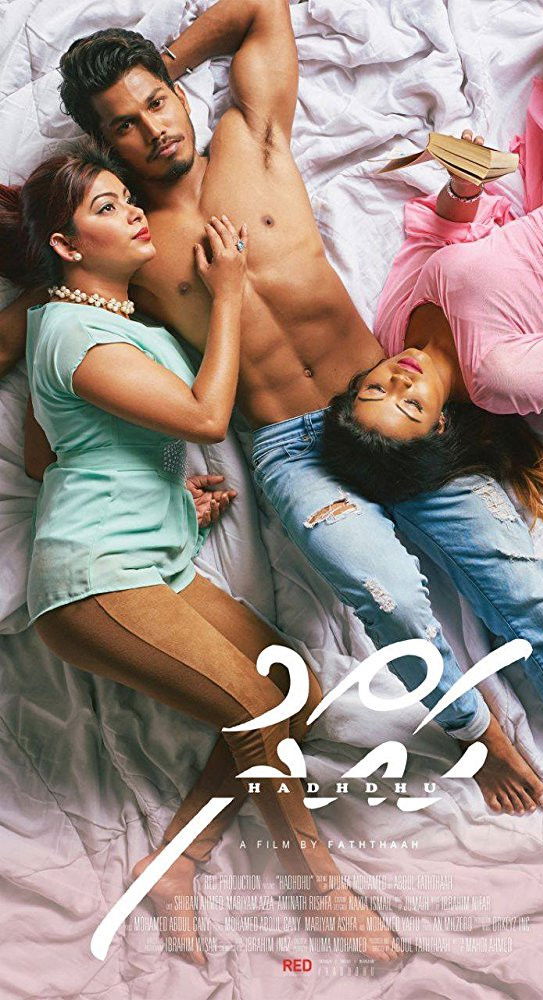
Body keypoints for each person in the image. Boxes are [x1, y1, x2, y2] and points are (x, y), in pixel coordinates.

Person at [1, 0, 543, 858]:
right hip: (290, 449)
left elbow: (260, 10)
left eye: (156, 102)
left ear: (175, 89)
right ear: (102, 143)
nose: (154, 129)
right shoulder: (125, 243)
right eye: (124, 124)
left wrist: (165, 58)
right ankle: (479, 731)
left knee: (529, 599)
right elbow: (40, 323)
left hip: (388, 403)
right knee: (386, 596)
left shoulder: (251, 140)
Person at [0, 143, 401, 965]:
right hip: (93, 576)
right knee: (256, 707)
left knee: (295, 690)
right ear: (67, 247)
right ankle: (324, 897)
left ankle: (174, 867)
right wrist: (227, 294)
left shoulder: (106, 325)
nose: (130, 211)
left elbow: (47, 459)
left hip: (151, 558)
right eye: (105, 208)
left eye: (125, 197)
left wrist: (164, 497)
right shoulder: (70, 328)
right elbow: (205, 418)